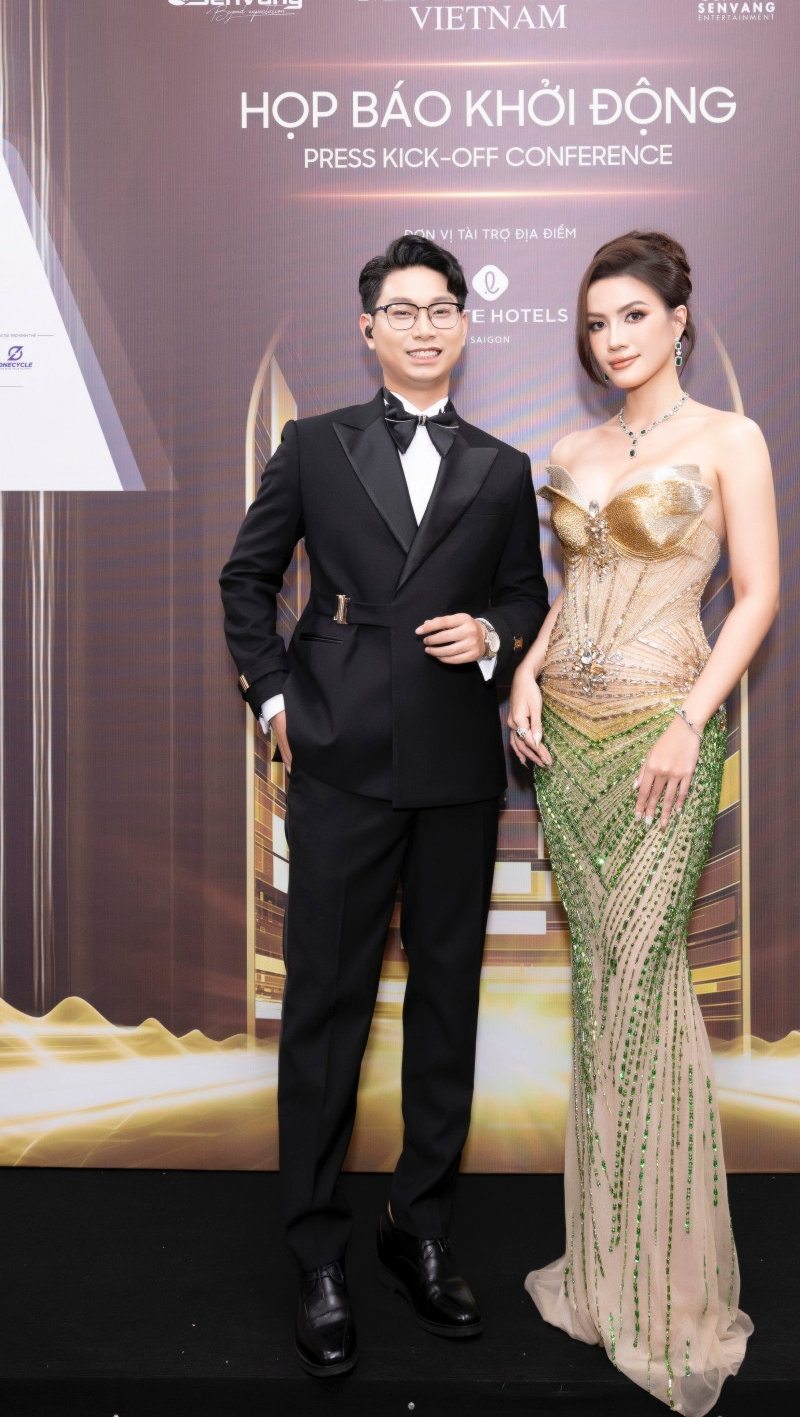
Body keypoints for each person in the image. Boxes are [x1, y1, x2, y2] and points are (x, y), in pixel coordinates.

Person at [220, 235, 548, 1377]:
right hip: (341, 759)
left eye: (440, 308)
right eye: (399, 310)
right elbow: (246, 579)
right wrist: (275, 701)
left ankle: (422, 1229)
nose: (422, 326)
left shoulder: (502, 466)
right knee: (326, 1008)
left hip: (457, 767)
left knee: (446, 1006)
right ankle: (317, 1253)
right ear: (368, 330)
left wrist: (494, 634)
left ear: (465, 323)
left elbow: (526, 596)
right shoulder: (313, 445)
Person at [509, 231, 778, 1414]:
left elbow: (756, 594)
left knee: (644, 984)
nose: (610, 338)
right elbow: (575, 590)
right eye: (594, 322)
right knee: (601, 989)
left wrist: (690, 720)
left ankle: (668, 1292)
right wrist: (526, 670)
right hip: (565, 746)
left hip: (665, 738)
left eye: (630, 316)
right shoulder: (569, 451)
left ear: (678, 320)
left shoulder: (729, 438)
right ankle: (607, 1265)